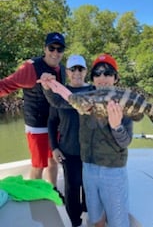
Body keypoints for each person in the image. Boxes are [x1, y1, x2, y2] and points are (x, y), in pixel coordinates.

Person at [39, 54, 133, 227]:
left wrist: (116, 126)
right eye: (98, 73)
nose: (102, 78)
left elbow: (125, 142)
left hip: (112, 171)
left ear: (116, 77)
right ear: (93, 78)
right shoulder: (86, 99)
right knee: (95, 219)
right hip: (88, 168)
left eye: (108, 73)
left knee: (118, 222)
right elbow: (60, 99)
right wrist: (47, 85)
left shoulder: (123, 101)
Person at [0, 32, 66, 196]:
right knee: (39, 164)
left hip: (55, 125)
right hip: (36, 126)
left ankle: (52, 190)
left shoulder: (63, 70)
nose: (55, 53)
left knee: (53, 161)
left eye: (60, 49)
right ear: (45, 48)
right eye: (52, 48)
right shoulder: (30, 68)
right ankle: (34, 195)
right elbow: (6, 85)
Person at [44, 55, 94, 227]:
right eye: (73, 69)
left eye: (80, 69)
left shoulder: (96, 91)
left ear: (86, 71)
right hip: (69, 151)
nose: (77, 73)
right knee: (72, 190)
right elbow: (51, 121)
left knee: (91, 188)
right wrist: (54, 147)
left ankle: (91, 216)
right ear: (67, 72)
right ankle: (75, 222)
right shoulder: (59, 94)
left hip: (92, 152)